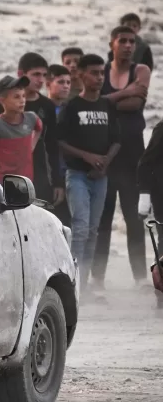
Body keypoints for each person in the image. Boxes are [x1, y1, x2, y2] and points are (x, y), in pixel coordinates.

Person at [92, 25, 152, 285]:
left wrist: (110, 100)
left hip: (132, 155)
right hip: (105, 153)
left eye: (132, 41)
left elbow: (136, 104)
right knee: (102, 220)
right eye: (123, 41)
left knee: (133, 219)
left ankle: (140, 277)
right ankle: (97, 278)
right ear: (112, 44)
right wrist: (126, 92)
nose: (128, 45)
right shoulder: (101, 72)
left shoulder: (141, 70)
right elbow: (96, 103)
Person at [57, 54, 121, 292]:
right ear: (81, 75)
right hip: (78, 175)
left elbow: (117, 140)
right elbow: (60, 140)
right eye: (94, 73)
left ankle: (83, 283)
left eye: (101, 73)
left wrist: (104, 163)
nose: (99, 77)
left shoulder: (107, 105)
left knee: (93, 230)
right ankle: (71, 281)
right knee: (81, 227)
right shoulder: (72, 106)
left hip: (100, 177)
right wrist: (87, 157)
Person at [0, 53, 62, 206]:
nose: (40, 80)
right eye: (35, 74)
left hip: (38, 173)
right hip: (8, 174)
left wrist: (58, 182)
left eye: (44, 75)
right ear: (20, 74)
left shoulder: (47, 106)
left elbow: (52, 145)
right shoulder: (2, 103)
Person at [0, 76, 42, 182]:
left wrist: (32, 145)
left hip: (25, 182)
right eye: (16, 97)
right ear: (3, 101)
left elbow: (39, 128)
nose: (22, 101)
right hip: (2, 181)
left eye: (23, 96)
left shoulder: (31, 118)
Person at [47, 64, 73, 226]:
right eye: (60, 82)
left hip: (70, 172)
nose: (65, 86)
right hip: (50, 171)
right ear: (48, 83)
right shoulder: (43, 109)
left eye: (68, 83)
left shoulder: (70, 109)